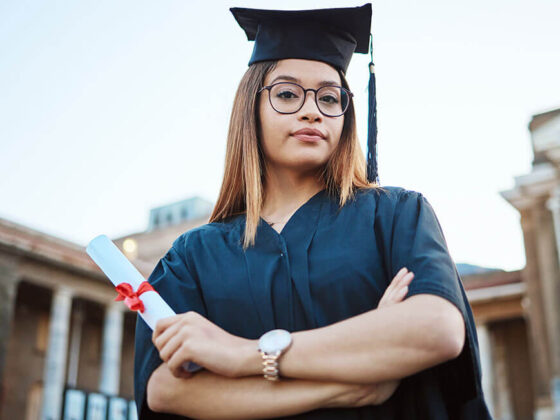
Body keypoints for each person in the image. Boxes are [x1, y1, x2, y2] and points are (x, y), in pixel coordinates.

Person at [133, 3, 493, 419]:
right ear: (251, 107)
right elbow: (164, 390)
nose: (312, 110)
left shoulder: (395, 216)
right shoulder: (193, 257)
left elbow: (437, 329)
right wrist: (350, 385)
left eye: (329, 97)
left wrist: (244, 355)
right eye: (287, 93)